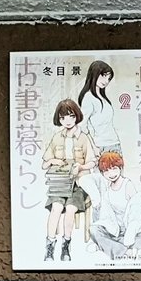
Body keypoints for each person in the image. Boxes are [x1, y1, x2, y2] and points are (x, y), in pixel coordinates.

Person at [41, 99, 95, 263]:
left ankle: (66, 245)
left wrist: (81, 166)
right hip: (59, 184)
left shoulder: (84, 138)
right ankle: (50, 245)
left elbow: (92, 162)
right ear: (59, 119)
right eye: (63, 117)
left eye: (71, 116)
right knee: (56, 208)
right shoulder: (57, 138)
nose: (68, 120)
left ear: (76, 116)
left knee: (70, 209)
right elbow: (44, 164)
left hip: (78, 184)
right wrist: (53, 161)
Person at [91, 152, 141, 261]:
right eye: (106, 171)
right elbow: (106, 216)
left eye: (114, 169)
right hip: (115, 230)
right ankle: (125, 251)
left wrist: (130, 233)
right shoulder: (107, 191)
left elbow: (136, 212)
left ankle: (106, 246)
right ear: (102, 173)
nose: (111, 174)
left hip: (130, 229)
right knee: (93, 230)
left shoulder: (127, 185)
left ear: (120, 168)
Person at [78, 60, 121, 158]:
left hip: (115, 143)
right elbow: (82, 125)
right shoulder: (88, 97)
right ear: (94, 74)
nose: (106, 81)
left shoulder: (103, 98)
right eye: (103, 76)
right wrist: (93, 147)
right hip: (101, 146)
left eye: (108, 78)